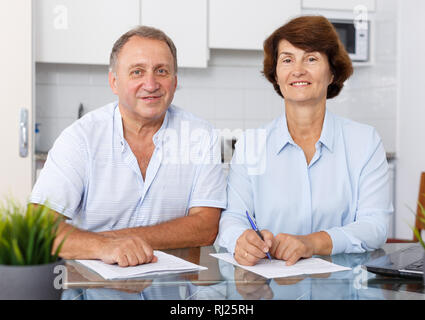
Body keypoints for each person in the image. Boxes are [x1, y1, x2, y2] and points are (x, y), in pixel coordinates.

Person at [30, 26, 227, 267]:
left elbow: (206, 227)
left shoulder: (201, 136)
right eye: (137, 72)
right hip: (93, 287)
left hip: (172, 289)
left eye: (161, 71)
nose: (151, 84)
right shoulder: (80, 138)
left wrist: (116, 240)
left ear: (174, 82)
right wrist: (104, 247)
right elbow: (38, 228)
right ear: (114, 82)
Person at [215, 16, 393, 266]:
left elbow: (375, 226)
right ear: (276, 75)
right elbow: (232, 217)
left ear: (332, 72)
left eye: (311, 58)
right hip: (271, 288)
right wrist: (242, 239)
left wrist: (311, 242)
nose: (298, 69)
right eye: (287, 59)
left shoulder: (364, 141)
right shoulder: (251, 145)